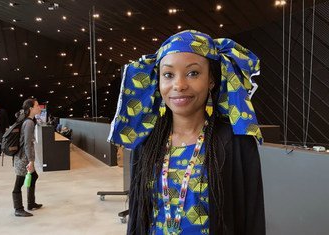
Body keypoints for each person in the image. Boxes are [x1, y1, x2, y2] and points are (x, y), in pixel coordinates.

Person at [108, 30, 265, 234]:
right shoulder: (146, 141)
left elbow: (252, 217)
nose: (179, 85)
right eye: (168, 75)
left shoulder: (236, 142)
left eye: (193, 73)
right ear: (159, 82)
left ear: (211, 80)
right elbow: (138, 216)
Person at [12, 98, 43, 217]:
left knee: (34, 177)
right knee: (18, 184)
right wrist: (31, 161)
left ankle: (31, 203)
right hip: (22, 158)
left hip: (23, 156)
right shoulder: (29, 122)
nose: (39, 107)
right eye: (37, 106)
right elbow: (27, 143)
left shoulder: (28, 120)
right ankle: (18, 209)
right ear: (31, 108)